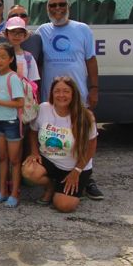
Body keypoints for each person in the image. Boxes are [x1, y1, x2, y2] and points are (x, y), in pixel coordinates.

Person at [36, 0, 103, 200]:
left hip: (77, 96)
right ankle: (55, 177)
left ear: (68, 6)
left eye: (61, 4)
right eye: (53, 5)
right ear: (47, 9)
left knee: (81, 137)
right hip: (52, 98)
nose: (58, 8)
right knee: (57, 139)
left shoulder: (82, 29)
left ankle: (85, 176)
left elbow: (91, 60)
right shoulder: (42, 31)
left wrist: (94, 88)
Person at [22, 76, 97, 213]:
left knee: (64, 206)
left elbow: (91, 146)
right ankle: (51, 186)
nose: (61, 95)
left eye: (66, 91)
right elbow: (32, 132)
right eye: (57, 91)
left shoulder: (86, 116)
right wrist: (34, 152)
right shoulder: (44, 108)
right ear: (52, 93)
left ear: (73, 93)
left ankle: (79, 186)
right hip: (50, 161)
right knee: (29, 170)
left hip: (75, 168)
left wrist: (77, 171)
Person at [0, 43, 24, 208]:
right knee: (2, 158)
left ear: (11, 59)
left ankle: (14, 193)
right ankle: (2, 191)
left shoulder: (13, 77)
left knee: (14, 160)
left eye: (3, 57)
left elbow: (19, 103)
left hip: (11, 123)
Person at [4, 17, 40, 84]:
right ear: (6, 34)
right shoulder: (0, 55)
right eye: (13, 32)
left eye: (20, 33)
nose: (16, 36)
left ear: (25, 35)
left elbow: (33, 82)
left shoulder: (28, 57)